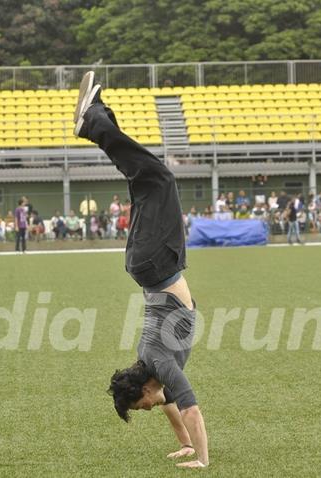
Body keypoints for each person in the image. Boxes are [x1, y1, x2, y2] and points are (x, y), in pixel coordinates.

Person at [73, 72, 208, 469]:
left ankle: (94, 123)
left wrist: (203, 461)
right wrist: (187, 446)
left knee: (159, 178)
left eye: (141, 405)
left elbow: (192, 410)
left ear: (142, 390)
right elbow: (172, 407)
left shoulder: (159, 363)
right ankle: (99, 116)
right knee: (147, 179)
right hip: (147, 263)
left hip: (155, 262)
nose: (148, 408)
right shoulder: (154, 369)